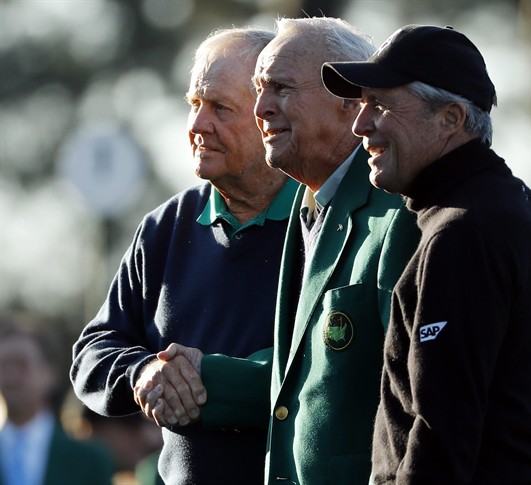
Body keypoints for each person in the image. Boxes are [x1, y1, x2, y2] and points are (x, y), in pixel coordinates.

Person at [140, 17, 421, 484]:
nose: (262, 108)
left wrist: (199, 380)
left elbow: (403, 387)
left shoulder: (394, 213)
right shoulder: (309, 203)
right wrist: (156, 374)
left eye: (281, 89)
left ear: (347, 102)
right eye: (258, 90)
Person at [322, 24, 531, 483]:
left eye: (379, 105)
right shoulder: (521, 212)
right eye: (361, 105)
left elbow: (441, 431)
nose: (360, 125)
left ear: (451, 118)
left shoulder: (463, 231)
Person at [70, 27, 298, 484]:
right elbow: (91, 354)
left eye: (220, 108)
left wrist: (204, 380)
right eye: (194, 104)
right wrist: (143, 373)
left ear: (268, 115)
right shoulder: (164, 228)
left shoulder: (321, 218)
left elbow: (325, 373)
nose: (197, 125)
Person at [0, 322, 114, 485]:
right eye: (3, 365)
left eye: (21, 365)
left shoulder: (88, 459)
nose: (11, 376)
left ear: (50, 374)